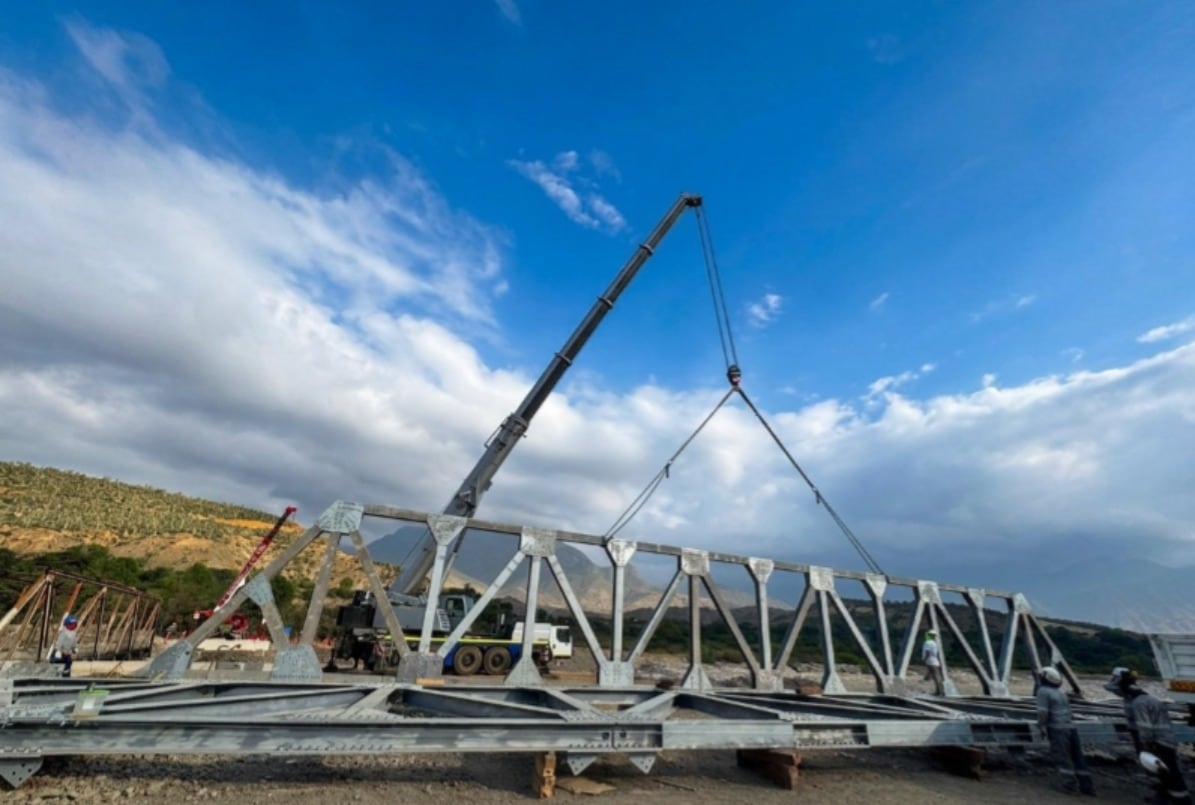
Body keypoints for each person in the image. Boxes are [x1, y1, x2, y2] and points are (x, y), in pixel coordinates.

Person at [1105, 667, 1191, 803]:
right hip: (1166, 738)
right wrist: (1120, 678)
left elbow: (1145, 727)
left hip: (1158, 740)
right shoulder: (1148, 699)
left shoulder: (1138, 703)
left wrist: (1146, 744)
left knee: (1167, 771)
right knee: (1166, 770)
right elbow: (1110, 687)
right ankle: (1170, 796)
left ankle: (1180, 799)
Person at [1035, 666, 1096, 796]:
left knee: (1062, 757)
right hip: (1071, 728)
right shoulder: (1061, 693)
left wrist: (1041, 726)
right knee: (1077, 757)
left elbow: (1042, 712)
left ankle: (1069, 785)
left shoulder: (1043, 691)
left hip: (1057, 729)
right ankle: (1087, 786)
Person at [921, 629, 945, 695]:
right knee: (936, 676)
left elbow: (927, 652)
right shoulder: (934, 643)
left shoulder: (928, 642)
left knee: (936, 676)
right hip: (934, 660)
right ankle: (939, 691)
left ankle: (940, 691)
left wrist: (925, 659)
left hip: (931, 661)